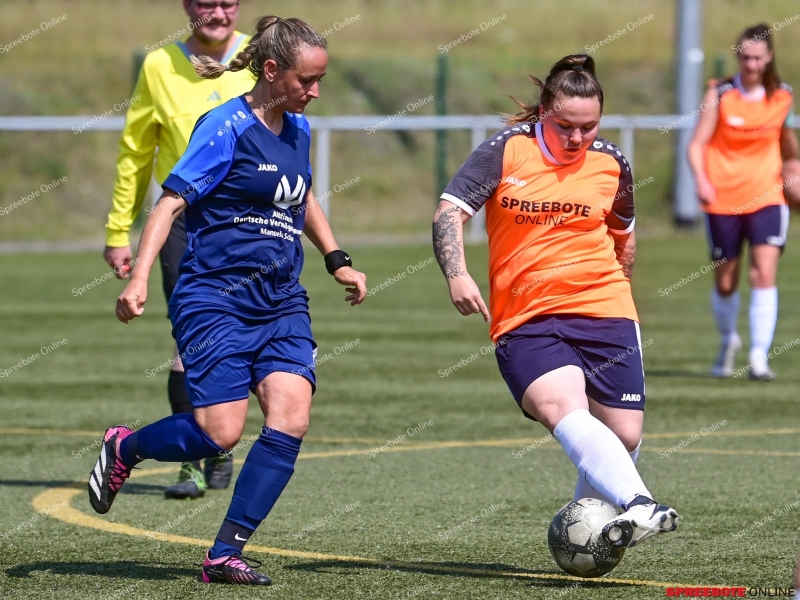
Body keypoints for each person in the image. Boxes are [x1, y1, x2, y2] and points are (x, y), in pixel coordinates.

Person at [88, 16, 367, 585]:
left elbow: (302, 194)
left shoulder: (299, 129)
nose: (315, 92)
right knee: (220, 433)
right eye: (306, 81)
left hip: (283, 299)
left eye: (320, 81)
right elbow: (168, 205)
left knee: (291, 416)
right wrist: (139, 278)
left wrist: (336, 257)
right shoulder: (225, 127)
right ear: (272, 71)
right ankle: (128, 446)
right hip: (215, 298)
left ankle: (223, 553)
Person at [433, 54, 678, 549]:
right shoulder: (505, 152)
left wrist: (620, 297)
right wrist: (456, 274)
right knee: (560, 405)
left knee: (625, 435)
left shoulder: (611, 163)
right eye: (566, 125)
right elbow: (448, 213)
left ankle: (591, 536)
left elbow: (623, 236)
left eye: (589, 127)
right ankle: (640, 503)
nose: (577, 138)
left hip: (605, 309)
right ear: (544, 110)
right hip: (528, 316)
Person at [103, 0, 262, 499]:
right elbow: (136, 150)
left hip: (249, 224)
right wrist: (117, 230)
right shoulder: (158, 64)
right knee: (190, 340)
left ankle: (221, 435)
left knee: (245, 334)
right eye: (205, 3)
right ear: (187, 7)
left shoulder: (261, 59)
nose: (217, 12)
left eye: (227, 3)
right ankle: (192, 462)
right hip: (183, 223)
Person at [688, 23, 798, 381]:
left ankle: (759, 357)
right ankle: (728, 341)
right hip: (722, 198)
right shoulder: (719, 93)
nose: (751, 64)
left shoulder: (782, 96)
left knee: (764, 272)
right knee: (726, 282)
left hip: (768, 196)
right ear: (739, 57)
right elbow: (697, 143)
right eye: (745, 57)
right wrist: (701, 179)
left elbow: (787, 144)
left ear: (768, 60)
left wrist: (794, 173)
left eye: (757, 58)